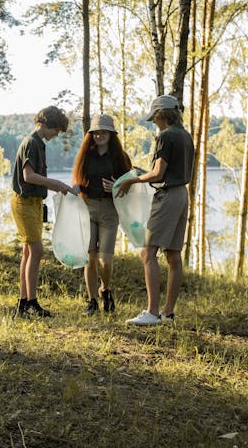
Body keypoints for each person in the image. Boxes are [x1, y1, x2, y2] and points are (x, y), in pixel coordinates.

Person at [116, 95, 194, 326]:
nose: (154, 122)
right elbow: (169, 170)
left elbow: (159, 174)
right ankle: (167, 314)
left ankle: (151, 312)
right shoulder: (186, 136)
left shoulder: (166, 136)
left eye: (154, 118)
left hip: (168, 196)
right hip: (182, 194)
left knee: (147, 253)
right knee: (173, 255)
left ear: (162, 114)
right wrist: (144, 173)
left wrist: (132, 180)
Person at [11, 106, 74, 317]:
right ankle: (31, 302)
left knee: (29, 252)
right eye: (56, 130)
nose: (57, 134)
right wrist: (55, 183)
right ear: (47, 124)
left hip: (35, 202)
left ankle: (23, 303)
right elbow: (28, 176)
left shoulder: (39, 144)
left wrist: (57, 186)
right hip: (24, 202)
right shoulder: (31, 143)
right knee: (36, 251)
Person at [71, 114, 132, 315]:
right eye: (96, 133)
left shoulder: (120, 158)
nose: (99, 136)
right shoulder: (85, 156)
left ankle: (105, 289)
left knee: (105, 260)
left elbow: (129, 186)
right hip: (87, 208)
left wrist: (115, 186)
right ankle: (92, 301)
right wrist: (76, 186)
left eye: (103, 132)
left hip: (109, 210)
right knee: (90, 257)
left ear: (111, 134)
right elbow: (79, 179)